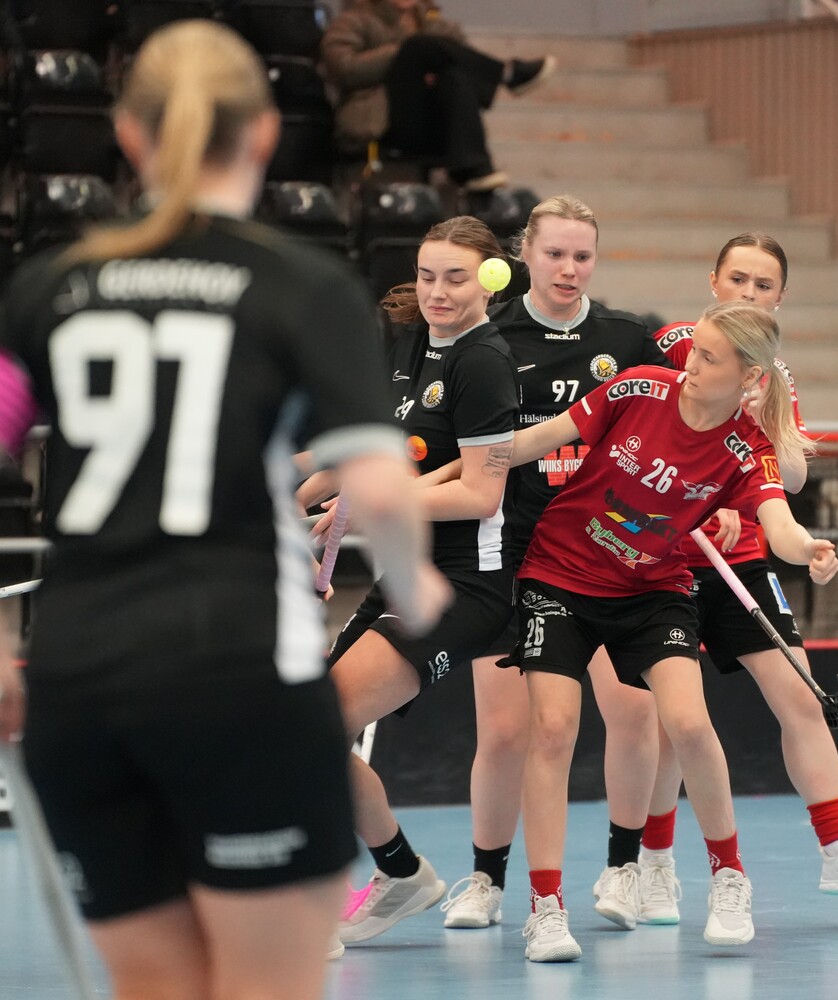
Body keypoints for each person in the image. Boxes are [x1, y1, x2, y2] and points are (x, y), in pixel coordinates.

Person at [0, 21, 448, 1000]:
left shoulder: (49, 286)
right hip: (241, 680)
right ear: (264, 134)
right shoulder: (303, 286)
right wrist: (419, 594)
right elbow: (378, 484)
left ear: (128, 134)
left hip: (82, 683)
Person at [501, 300, 838, 961]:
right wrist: (454, 459)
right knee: (553, 729)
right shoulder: (638, 388)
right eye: (695, 350)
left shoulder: (748, 448)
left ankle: (729, 877)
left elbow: (779, 523)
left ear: (749, 378)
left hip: (652, 589)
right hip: (559, 573)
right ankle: (545, 908)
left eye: (709, 359)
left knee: (687, 723)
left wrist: (808, 551)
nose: (690, 366)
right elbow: (530, 443)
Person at [619, 233, 838, 926]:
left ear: (780, 298)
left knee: (801, 696)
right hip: (664, 564)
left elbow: (793, 475)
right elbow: (644, 436)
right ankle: (655, 867)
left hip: (744, 561)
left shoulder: (774, 375)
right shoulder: (677, 346)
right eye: (738, 280)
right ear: (714, 281)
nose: (748, 293)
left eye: (763, 285)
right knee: (672, 723)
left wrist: (763, 416)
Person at [437, 194, 671, 932]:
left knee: (634, 712)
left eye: (582, 255)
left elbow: (680, 427)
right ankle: (486, 879)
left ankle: (624, 869)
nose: (569, 268)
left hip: (606, 552)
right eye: (555, 254)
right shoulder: (487, 338)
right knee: (508, 732)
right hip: (507, 554)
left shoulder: (629, 339)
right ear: (524, 256)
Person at [300, 215, 520, 947]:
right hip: (406, 574)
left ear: (488, 281)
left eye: (455, 277)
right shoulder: (416, 345)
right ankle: (400, 873)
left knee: (313, 724)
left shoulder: (483, 362)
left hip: (467, 585)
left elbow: (481, 494)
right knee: (310, 731)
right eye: (427, 276)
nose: (437, 292)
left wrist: (374, 505)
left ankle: (316, 902)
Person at [321, 0, 555, 191]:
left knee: (453, 75)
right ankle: (507, 73)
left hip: (432, 121)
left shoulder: (432, 20)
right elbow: (344, 68)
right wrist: (401, 53)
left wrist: (431, 69)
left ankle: (473, 167)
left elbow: (465, 62)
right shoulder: (354, 19)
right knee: (416, 46)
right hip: (383, 122)